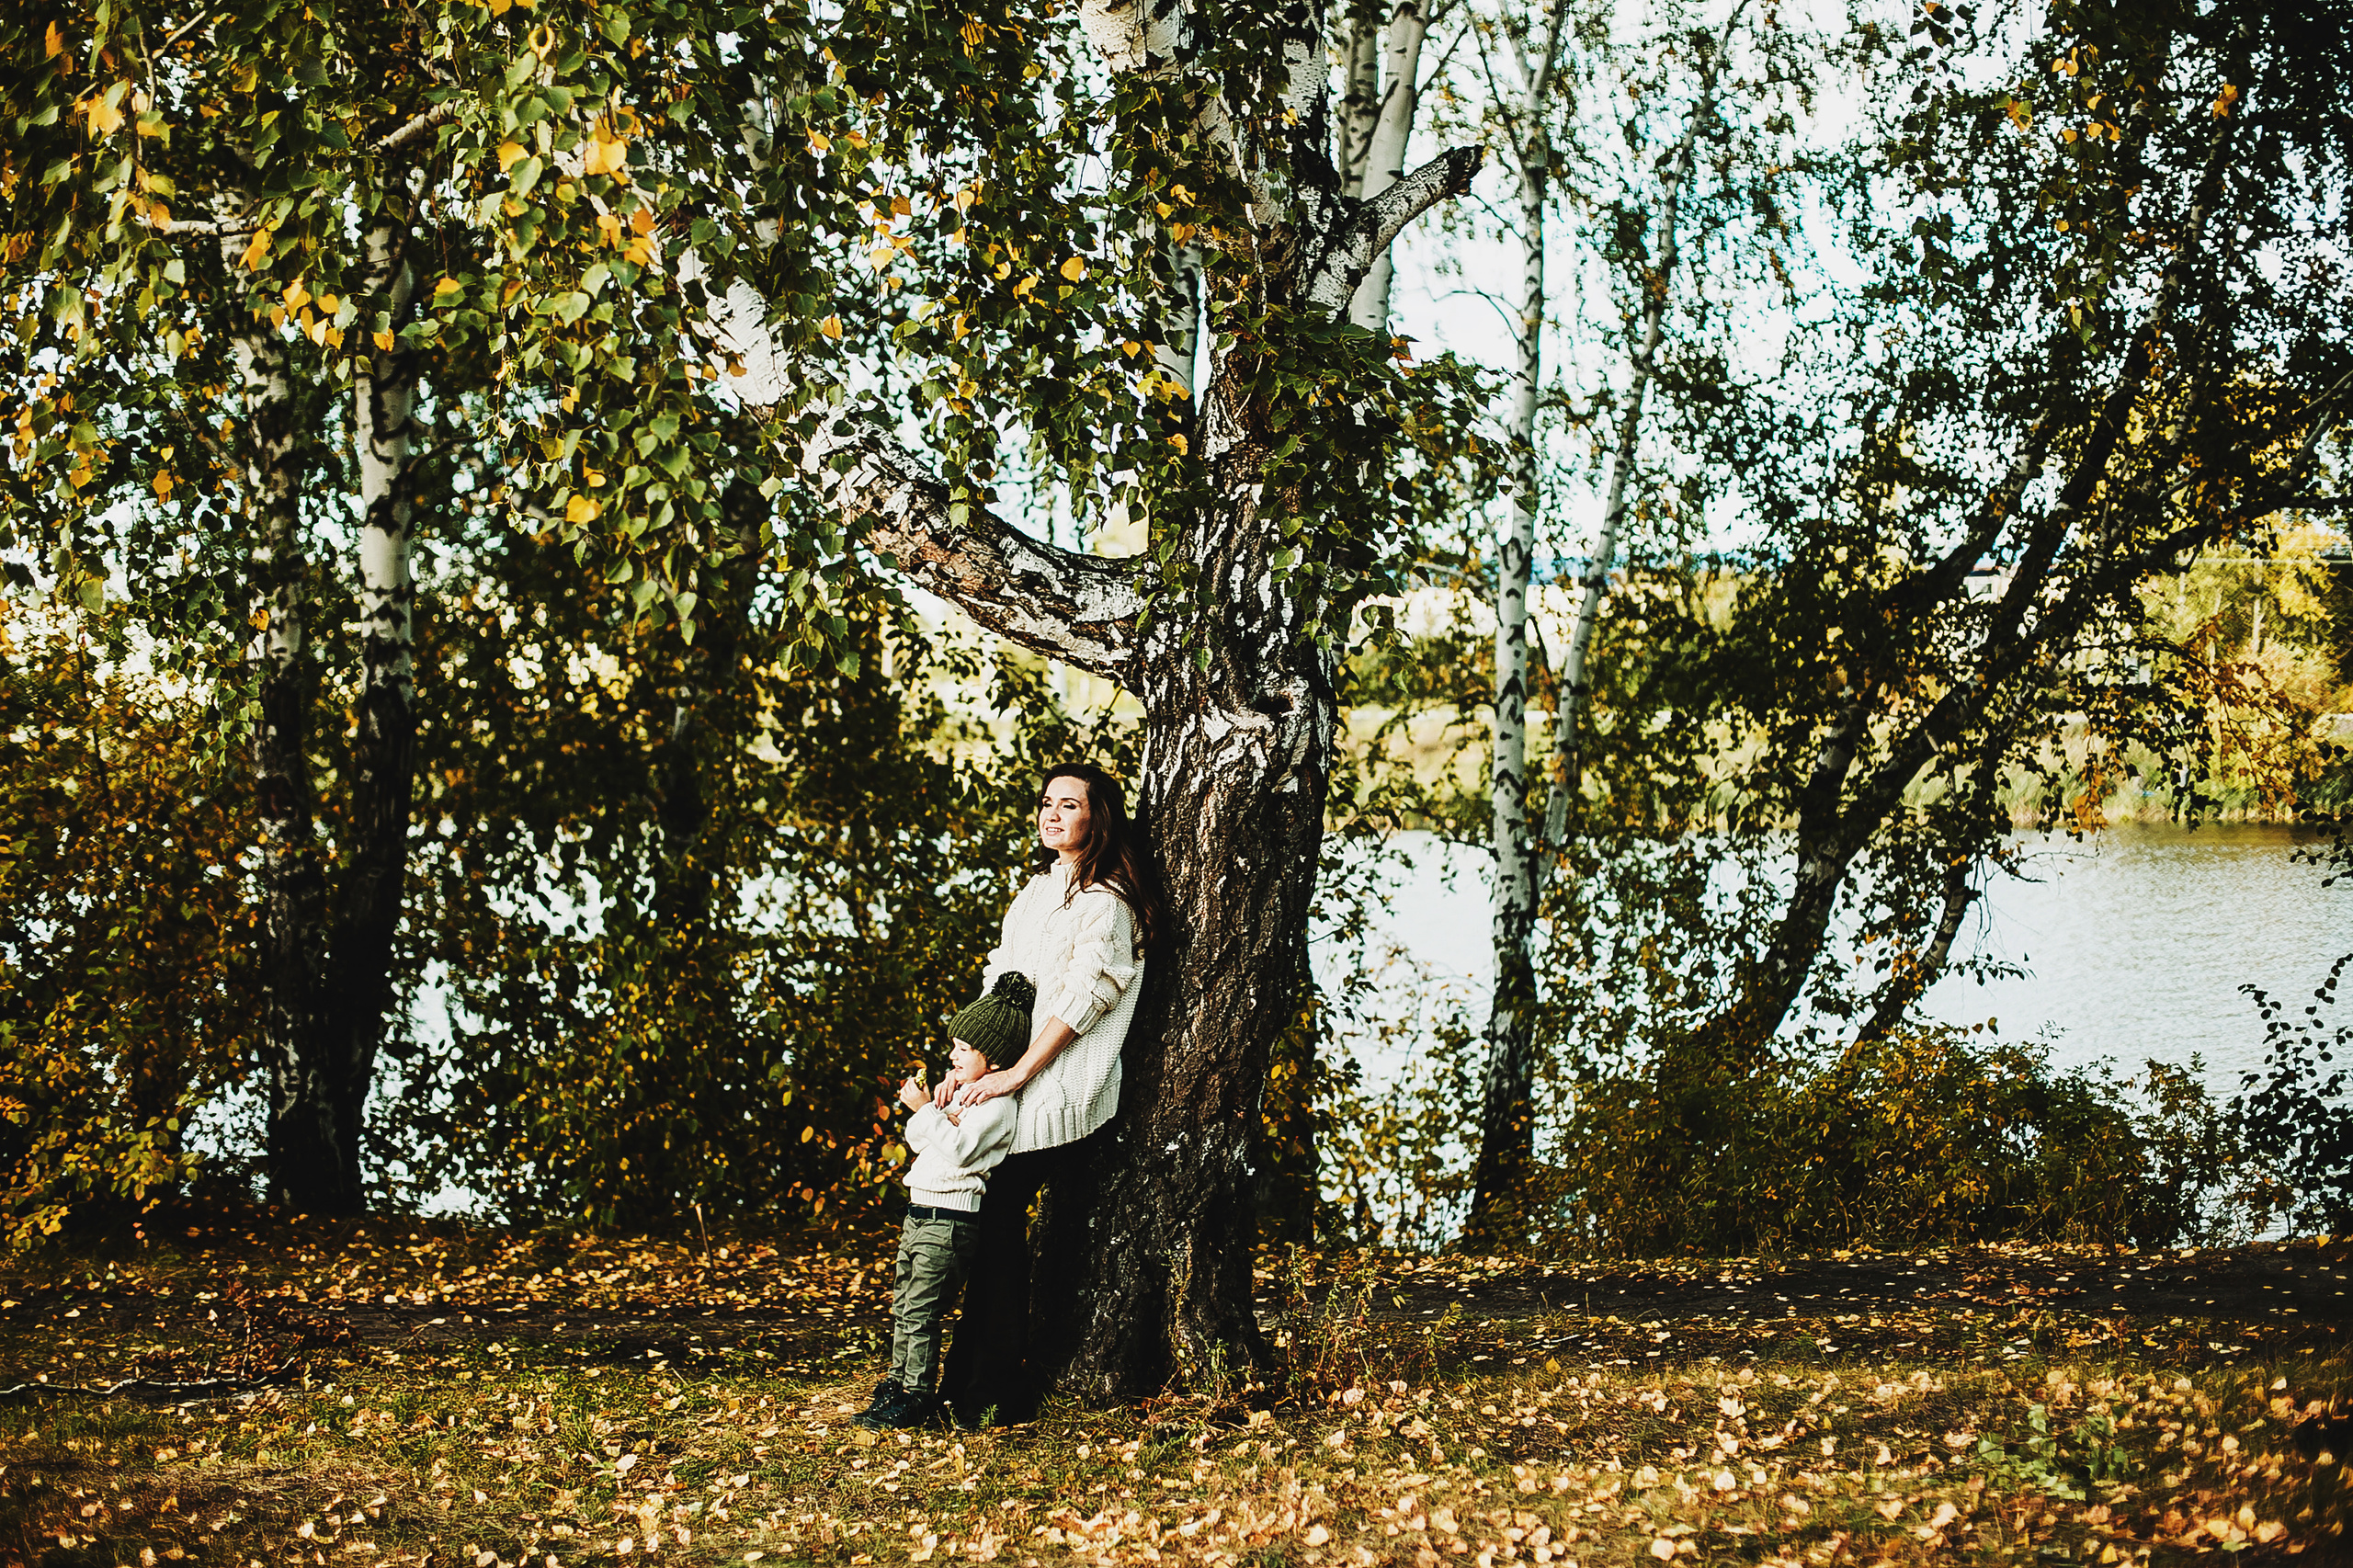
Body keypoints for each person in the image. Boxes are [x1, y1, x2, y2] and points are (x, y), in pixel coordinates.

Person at [935, 762, 1158, 1426]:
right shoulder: (1036, 894)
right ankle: (972, 1388)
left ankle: (989, 1393)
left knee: (996, 1224)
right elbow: (1000, 988)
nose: (1052, 814)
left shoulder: (1109, 903)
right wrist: (970, 1064)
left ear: (1099, 818)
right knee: (988, 1227)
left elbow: (1085, 1000)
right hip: (1010, 1086)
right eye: (1045, 803)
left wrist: (1019, 1073)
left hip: (1063, 1093)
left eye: (1070, 804)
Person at [858, 973, 1033, 1430]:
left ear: (993, 1061)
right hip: (920, 1214)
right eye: (953, 1046)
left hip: (950, 1220)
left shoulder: (997, 1107)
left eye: (963, 1049)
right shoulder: (962, 1098)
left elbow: (957, 1149)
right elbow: (918, 1140)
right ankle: (896, 1384)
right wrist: (937, 1109)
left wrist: (929, 1112)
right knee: (904, 1305)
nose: (951, 1056)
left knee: (922, 1310)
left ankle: (917, 1397)